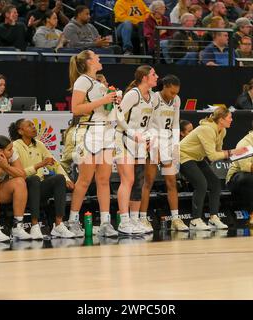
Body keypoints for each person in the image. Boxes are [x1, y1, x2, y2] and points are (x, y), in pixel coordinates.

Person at [67, 50, 118, 238]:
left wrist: (111, 102)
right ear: (89, 61)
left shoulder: (97, 82)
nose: (99, 58)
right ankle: (72, 221)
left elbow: (102, 108)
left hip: (105, 132)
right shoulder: (82, 81)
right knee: (85, 180)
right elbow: (76, 109)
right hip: (89, 132)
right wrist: (104, 100)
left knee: (104, 180)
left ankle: (105, 222)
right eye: (96, 56)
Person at [179, 106, 248, 230]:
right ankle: (195, 220)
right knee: (201, 184)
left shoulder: (222, 131)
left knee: (215, 184)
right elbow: (212, 156)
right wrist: (232, 152)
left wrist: (238, 154)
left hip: (197, 157)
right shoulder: (207, 129)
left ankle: (213, 218)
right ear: (221, 119)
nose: (231, 120)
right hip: (182, 156)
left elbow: (217, 151)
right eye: (229, 117)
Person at [9, 119, 76, 239]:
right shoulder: (14, 146)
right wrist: (39, 165)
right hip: (22, 187)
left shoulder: (39, 144)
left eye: (33, 125)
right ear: (20, 131)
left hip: (37, 186)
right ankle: (35, 226)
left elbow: (54, 163)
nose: (34, 128)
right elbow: (20, 173)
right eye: (29, 126)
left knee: (59, 178)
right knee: (34, 179)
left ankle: (58, 225)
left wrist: (66, 178)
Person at [115, 65, 158, 235]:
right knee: (128, 180)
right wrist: (132, 133)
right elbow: (117, 115)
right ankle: (123, 221)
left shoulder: (153, 98)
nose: (157, 76)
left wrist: (150, 137)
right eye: (153, 74)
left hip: (140, 142)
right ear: (145, 78)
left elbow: (152, 122)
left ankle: (134, 219)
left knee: (139, 183)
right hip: (123, 138)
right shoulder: (133, 94)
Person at [139, 75, 182, 233]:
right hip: (154, 142)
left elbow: (176, 123)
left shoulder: (176, 100)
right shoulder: (154, 98)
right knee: (148, 181)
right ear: (164, 86)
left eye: (176, 92)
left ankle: (176, 219)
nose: (174, 95)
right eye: (171, 92)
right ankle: (143, 218)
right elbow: (147, 122)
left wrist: (175, 145)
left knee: (171, 182)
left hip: (168, 143)